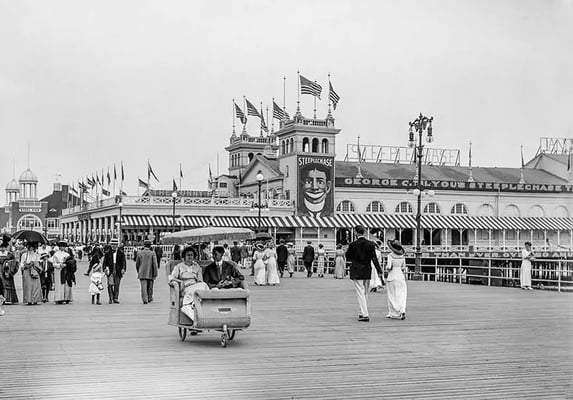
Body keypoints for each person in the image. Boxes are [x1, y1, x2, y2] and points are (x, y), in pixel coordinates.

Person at [345, 225, 382, 322]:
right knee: (365, 292)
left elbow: (348, 256)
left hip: (357, 269)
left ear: (356, 233)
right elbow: (374, 258)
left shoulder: (353, 244)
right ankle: (362, 311)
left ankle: (365, 314)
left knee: (360, 292)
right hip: (367, 269)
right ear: (364, 232)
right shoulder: (370, 244)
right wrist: (379, 270)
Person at [168, 246, 209, 324]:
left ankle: (197, 305)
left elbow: (200, 280)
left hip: (196, 286)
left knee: (203, 285)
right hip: (186, 287)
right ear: (184, 256)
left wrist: (198, 282)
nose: (190, 257)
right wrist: (180, 281)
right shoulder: (179, 266)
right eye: (188, 255)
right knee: (200, 288)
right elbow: (171, 277)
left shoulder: (197, 267)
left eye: (191, 255)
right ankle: (193, 305)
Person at [385, 239, 408, 320]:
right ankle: (402, 310)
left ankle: (393, 312)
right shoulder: (402, 256)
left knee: (392, 295)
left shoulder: (390, 256)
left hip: (392, 276)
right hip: (400, 277)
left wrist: (386, 269)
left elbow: (389, 267)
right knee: (401, 294)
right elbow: (403, 267)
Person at [0, 236, 19, 304]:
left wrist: (8, 264)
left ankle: (8, 299)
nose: (2, 249)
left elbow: (15, 262)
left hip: (7, 270)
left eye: (3, 247)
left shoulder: (10, 254)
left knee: (7, 284)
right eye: (1, 247)